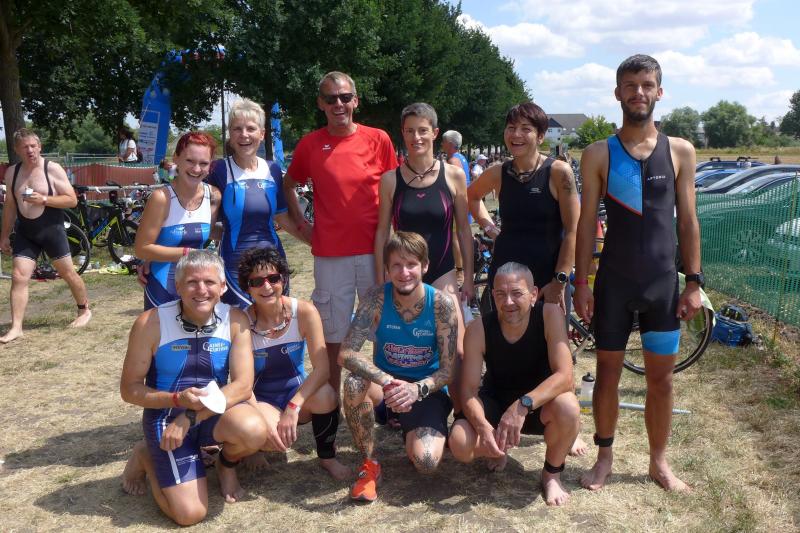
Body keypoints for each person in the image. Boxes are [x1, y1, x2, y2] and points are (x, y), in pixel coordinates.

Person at [573, 54, 702, 492]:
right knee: (607, 374)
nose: (638, 93)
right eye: (630, 86)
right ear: (617, 93)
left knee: (661, 380)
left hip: (662, 284)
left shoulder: (680, 151)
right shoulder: (598, 153)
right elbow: (585, 224)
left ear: (659, 91)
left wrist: (694, 282)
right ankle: (604, 457)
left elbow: (688, 222)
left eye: (647, 85)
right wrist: (581, 283)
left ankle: (658, 462)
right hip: (614, 283)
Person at [120, 250, 267, 526]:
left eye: (209, 282)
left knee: (254, 429)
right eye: (191, 282)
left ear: (222, 287)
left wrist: (190, 416)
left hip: (207, 414)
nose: (201, 290)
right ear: (177, 286)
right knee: (190, 515)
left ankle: (226, 464)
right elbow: (129, 390)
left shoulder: (235, 319)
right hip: (166, 418)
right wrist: (177, 400)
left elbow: (243, 386)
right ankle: (146, 456)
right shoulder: (150, 323)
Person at [282, 71, 398, 398]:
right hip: (331, 255)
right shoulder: (310, 144)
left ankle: (386, 401)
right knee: (332, 332)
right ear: (320, 103)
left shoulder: (379, 139)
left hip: (375, 252)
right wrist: (302, 224)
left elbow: (395, 191)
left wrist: (396, 246)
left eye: (345, 97)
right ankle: (332, 398)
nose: (338, 104)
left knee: (383, 329)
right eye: (330, 98)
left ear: (355, 101)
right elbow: (288, 185)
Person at [339, 231, 458, 502]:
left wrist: (416, 390)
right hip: (386, 389)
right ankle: (370, 463)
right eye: (396, 265)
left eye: (411, 264)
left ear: (425, 266)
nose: (404, 273)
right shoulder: (376, 298)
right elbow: (346, 352)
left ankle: (413, 429)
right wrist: (387, 381)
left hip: (424, 391)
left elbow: (448, 371)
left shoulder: (441, 304)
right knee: (354, 383)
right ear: (387, 268)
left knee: (426, 462)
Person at [449, 262, 579, 506]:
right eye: (500, 294)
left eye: (516, 293)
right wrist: (483, 428)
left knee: (569, 407)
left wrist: (522, 405)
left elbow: (565, 376)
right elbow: (468, 390)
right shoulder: (478, 328)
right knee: (459, 443)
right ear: (492, 296)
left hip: (539, 405)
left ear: (533, 294)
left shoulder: (550, 314)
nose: (508, 302)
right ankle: (497, 448)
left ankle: (551, 473)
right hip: (497, 402)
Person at [237, 246, 349, 480]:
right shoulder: (242, 322)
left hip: (295, 393)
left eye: (273, 278)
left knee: (327, 395)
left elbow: (323, 369)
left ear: (283, 279)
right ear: (247, 287)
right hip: (262, 399)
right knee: (262, 436)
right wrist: (258, 424)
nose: (267, 287)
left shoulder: (304, 311)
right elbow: (242, 383)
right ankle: (253, 449)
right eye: (256, 281)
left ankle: (327, 457)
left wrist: (293, 407)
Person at [374, 103, 473, 347]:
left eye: (422, 130)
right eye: (409, 131)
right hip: (404, 273)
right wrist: (381, 278)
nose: (416, 137)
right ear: (403, 133)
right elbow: (382, 232)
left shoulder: (454, 176)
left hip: (443, 272)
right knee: (408, 347)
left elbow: (463, 230)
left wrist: (469, 278)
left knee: (456, 348)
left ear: (435, 133)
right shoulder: (390, 180)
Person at [468, 102, 580, 313]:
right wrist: (490, 228)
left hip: (547, 279)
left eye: (525, 129)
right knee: (501, 334)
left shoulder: (558, 172)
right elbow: (472, 196)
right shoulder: (498, 173)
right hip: (505, 277)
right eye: (511, 128)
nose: (516, 134)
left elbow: (573, 231)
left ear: (540, 136)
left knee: (549, 334)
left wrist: (560, 280)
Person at [206, 98, 309, 308]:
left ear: (262, 134)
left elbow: (282, 218)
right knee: (240, 324)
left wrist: (316, 242)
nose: (244, 135)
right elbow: (204, 227)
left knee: (274, 320)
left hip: (273, 262)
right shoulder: (218, 170)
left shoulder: (272, 170)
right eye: (237, 129)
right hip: (234, 265)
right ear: (230, 134)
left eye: (251, 128)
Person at [0, 128, 91, 343]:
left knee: (68, 273)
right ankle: (16, 327)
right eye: (25, 147)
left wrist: (44, 199)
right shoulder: (12, 173)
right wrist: (4, 236)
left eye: (33, 146)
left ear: (39, 147)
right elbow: (10, 206)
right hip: (26, 231)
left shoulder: (52, 169)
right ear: (17, 150)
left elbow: (72, 200)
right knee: (19, 276)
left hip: (51, 229)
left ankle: (84, 309)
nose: (30, 150)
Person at [135, 131, 221, 309]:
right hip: (162, 288)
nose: (196, 169)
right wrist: (187, 253)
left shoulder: (213, 195)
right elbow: (141, 249)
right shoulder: (161, 198)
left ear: (210, 164)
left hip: (199, 289)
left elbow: (210, 231)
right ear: (176, 158)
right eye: (190, 161)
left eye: (203, 163)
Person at [442, 129, 472, 278]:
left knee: (455, 238)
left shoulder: (453, 161)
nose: (441, 144)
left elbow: (454, 186)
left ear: (449, 143)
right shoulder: (461, 158)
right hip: (464, 203)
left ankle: (460, 271)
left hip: (457, 205)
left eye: (443, 141)